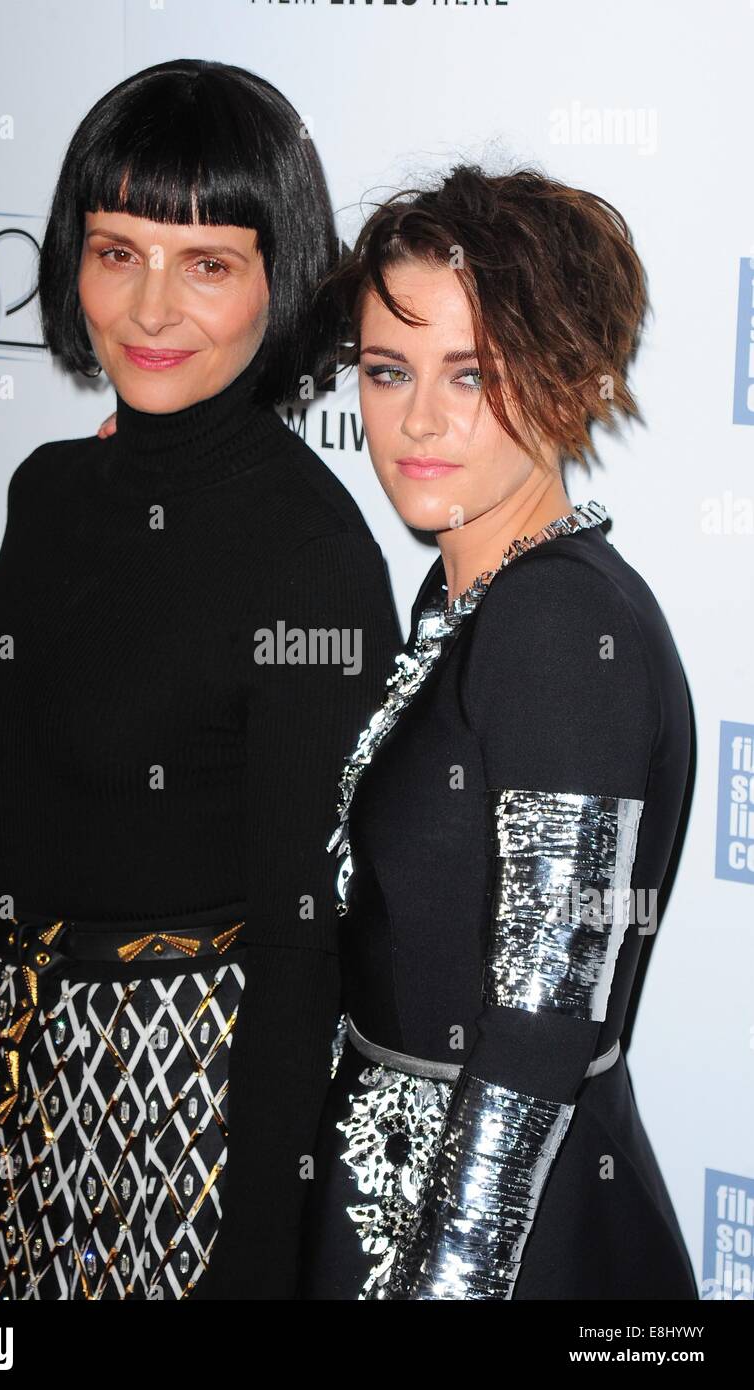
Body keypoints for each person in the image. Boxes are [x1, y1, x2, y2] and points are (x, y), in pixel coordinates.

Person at [0, 58, 400, 1301]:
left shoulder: (314, 560)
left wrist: (255, 1263)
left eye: (208, 262)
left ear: (278, 280)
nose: (151, 307)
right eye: (117, 251)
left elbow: (307, 954)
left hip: (179, 1113)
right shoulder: (52, 488)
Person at [300, 165, 699, 1300]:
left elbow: (537, 1020)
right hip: (397, 1187)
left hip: (492, 1236)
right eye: (388, 371)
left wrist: (451, 1280)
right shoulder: (465, 600)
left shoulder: (558, 621)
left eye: (472, 374)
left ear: (573, 377)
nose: (418, 418)